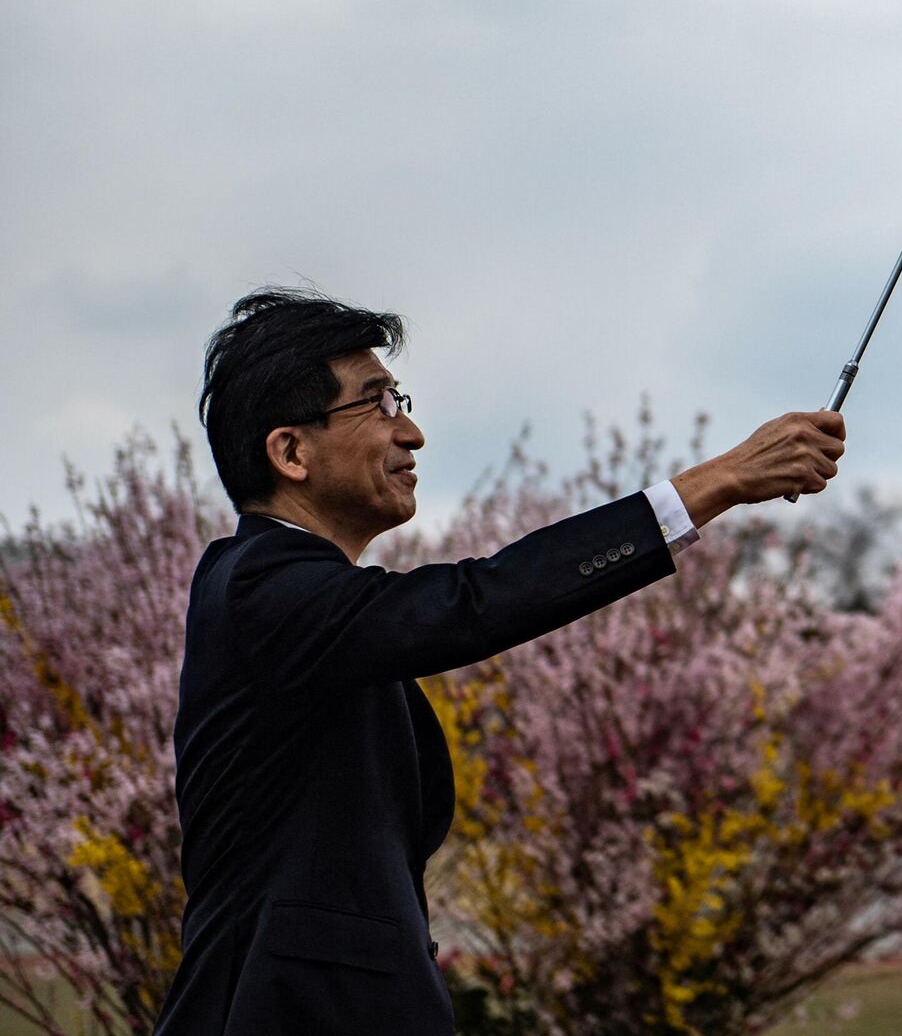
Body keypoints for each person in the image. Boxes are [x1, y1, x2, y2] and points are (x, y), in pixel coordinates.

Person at [154, 289, 846, 1035]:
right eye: (378, 405)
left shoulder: (308, 610)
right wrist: (717, 483)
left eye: (401, 401)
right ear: (290, 451)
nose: (411, 433)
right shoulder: (260, 585)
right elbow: (478, 601)